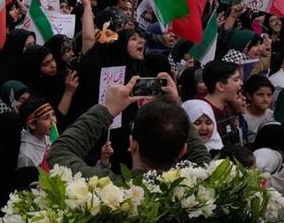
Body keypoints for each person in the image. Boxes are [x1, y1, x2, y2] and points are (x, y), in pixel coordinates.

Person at [48, 74, 210, 177]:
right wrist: (174, 106)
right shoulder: (196, 187)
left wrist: (108, 110)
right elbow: (201, 158)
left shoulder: (112, 192)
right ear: (183, 149)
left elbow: (60, 154)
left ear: (132, 144)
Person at [201, 60, 245, 146]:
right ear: (220, 86)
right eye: (236, 80)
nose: (241, 83)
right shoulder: (202, 112)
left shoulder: (231, 106)